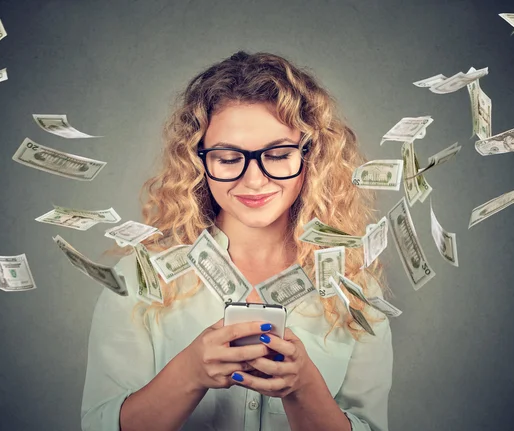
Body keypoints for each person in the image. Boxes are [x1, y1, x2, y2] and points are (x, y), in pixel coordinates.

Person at [81, 51, 393, 431]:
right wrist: (188, 374)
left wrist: (305, 388)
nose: (254, 180)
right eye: (229, 159)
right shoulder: (138, 278)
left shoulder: (354, 286)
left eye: (278, 155)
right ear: (199, 162)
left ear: (310, 155)